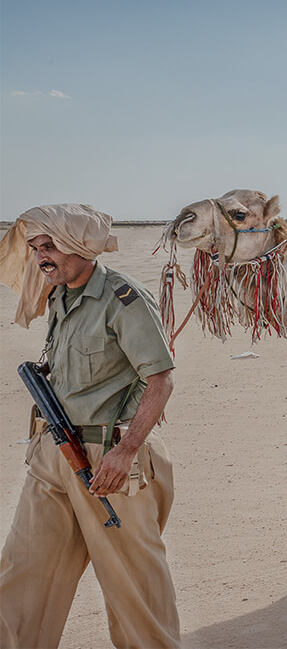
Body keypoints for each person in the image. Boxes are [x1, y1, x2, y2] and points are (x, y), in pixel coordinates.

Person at [0, 204, 181, 648]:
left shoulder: (124, 298)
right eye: (37, 247)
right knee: (22, 576)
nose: (42, 257)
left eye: (52, 246)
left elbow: (160, 379)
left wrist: (127, 451)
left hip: (110, 462)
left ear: (81, 246)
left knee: (135, 595)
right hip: (53, 454)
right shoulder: (57, 296)